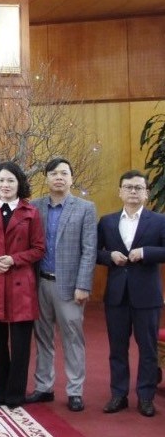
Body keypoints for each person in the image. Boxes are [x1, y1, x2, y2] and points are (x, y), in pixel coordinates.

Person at [26, 158, 97, 412]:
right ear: (46, 178)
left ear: (71, 178)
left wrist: (84, 285)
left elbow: (89, 250)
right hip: (40, 283)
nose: (59, 177)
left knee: (72, 339)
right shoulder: (34, 207)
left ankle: (75, 390)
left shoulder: (85, 208)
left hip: (69, 286)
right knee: (42, 337)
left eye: (64, 173)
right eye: (54, 173)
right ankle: (44, 386)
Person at [0, 161, 44, 408]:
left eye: (10, 181)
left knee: (21, 345)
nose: (5, 185)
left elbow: (38, 248)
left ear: (19, 183)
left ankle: (15, 394)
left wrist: (14, 259)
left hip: (20, 284)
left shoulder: (30, 212)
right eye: (1, 180)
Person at [96, 170, 165, 418]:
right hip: (116, 295)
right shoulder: (107, 221)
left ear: (146, 192)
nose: (133, 192)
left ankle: (146, 397)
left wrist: (146, 252)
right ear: (120, 191)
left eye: (138, 187)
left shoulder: (159, 221)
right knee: (117, 348)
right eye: (128, 187)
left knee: (147, 348)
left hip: (147, 296)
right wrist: (109, 256)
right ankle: (118, 394)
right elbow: (94, 252)